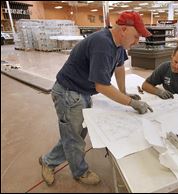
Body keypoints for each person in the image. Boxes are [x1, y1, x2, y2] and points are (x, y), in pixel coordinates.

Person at [39, 11, 153, 186]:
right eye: (136, 36)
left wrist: (123, 93)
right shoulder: (103, 45)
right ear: (123, 30)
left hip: (82, 92)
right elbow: (102, 86)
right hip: (69, 93)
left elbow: (120, 67)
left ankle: (48, 160)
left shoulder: (118, 45)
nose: (138, 41)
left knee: (74, 133)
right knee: (74, 137)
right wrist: (132, 103)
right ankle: (80, 172)